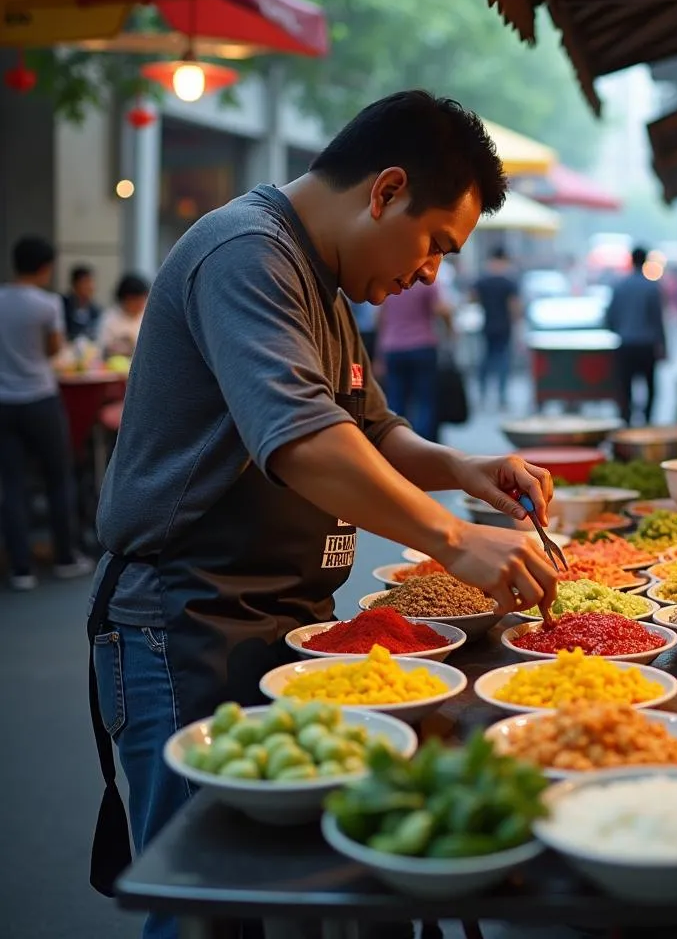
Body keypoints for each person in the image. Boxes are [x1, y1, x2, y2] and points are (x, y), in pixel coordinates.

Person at [87, 91, 558, 939]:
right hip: (181, 619)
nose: (429, 276)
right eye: (434, 246)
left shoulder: (328, 285)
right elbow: (304, 440)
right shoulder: (246, 253)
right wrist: (453, 540)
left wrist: (466, 470)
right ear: (384, 191)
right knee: (209, 893)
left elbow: (370, 427)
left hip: (284, 621)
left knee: (284, 883)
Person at [0, 237, 93, 590]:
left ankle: (20, 568)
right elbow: (54, 350)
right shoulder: (48, 304)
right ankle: (65, 557)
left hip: (4, 402)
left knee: (12, 484)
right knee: (58, 478)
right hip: (39, 397)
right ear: (45, 267)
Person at [376, 282, 451, 441]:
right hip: (422, 345)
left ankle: (396, 441)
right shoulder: (427, 283)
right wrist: (450, 331)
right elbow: (441, 310)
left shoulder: (390, 280)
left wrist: (379, 354)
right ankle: (423, 445)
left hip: (393, 347)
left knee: (395, 399)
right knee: (425, 400)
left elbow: (380, 319)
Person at [604, 246, 666, 426]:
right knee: (651, 387)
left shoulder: (620, 286)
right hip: (647, 346)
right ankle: (647, 420)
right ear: (646, 260)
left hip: (626, 344)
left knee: (625, 387)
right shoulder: (652, 287)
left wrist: (620, 330)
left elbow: (610, 317)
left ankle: (626, 420)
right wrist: (663, 345)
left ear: (631, 260)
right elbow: (658, 320)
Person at [472, 245, 519, 409]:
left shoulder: (482, 281)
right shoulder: (508, 283)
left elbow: (472, 299)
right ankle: (501, 396)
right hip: (504, 326)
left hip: (487, 324)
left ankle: (483, 393)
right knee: (503, 360)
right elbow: (514, 307)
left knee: (485, 359)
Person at [97, 273, 150, 359]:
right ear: (125, 299)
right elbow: (102, 349)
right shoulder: (109, 319)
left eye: (142, 300)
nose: (140, 305)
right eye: (135, 301)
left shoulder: (147, 318)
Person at [63, 264, 102, 342]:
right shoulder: (63, 305)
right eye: (85, 282)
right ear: (75, 284)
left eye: (91, 282)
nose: (89, 286)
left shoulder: (95, 311)